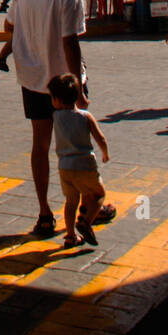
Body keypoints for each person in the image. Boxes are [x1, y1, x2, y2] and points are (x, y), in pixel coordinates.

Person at [3, 0, 115, 237]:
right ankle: (90, 202)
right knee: (77, 144)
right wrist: (78, 87)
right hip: (63, 82)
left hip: (32, 79)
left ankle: (44, 214)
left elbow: (8, 25)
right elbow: (70, 43)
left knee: (39, 145)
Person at [48, 72, 110, 248]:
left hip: (65, 167)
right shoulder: (85, 116)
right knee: (98, 194)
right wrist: (105, 153)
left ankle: (69, 235)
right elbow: (100, 138)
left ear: (57, 100)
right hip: (86, 165)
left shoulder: (55, 117)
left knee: (71, 201)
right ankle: (86, 221)